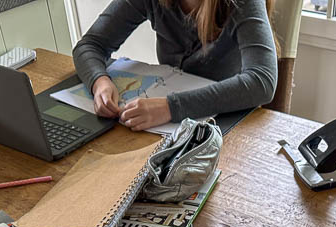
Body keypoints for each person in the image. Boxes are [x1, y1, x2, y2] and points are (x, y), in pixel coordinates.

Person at [73, 0, 278, 131]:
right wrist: (99, 82)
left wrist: (170, 108)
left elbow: (262, 82)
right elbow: (90, 45)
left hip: (228, 124)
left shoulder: (242, 3)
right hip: (169, 130)